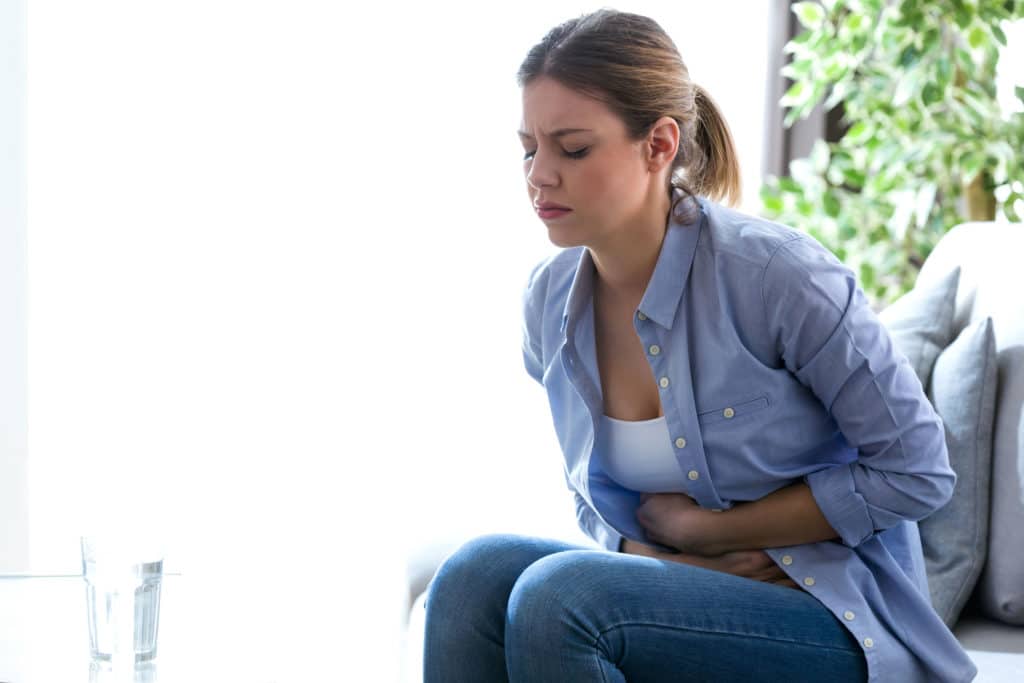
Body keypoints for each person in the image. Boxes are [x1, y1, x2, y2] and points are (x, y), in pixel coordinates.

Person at [422, 9, 977, 682]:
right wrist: (665, 556)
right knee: (469, 577)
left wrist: (710, 533)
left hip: (830, 615)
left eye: (571, 149)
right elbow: (589, 492)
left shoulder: (777, 277)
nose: (539, 175)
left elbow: (918, 469)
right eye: (528, 148)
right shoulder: (550, 301)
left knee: (560, 598)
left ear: (659, 145)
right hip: (678, 587)